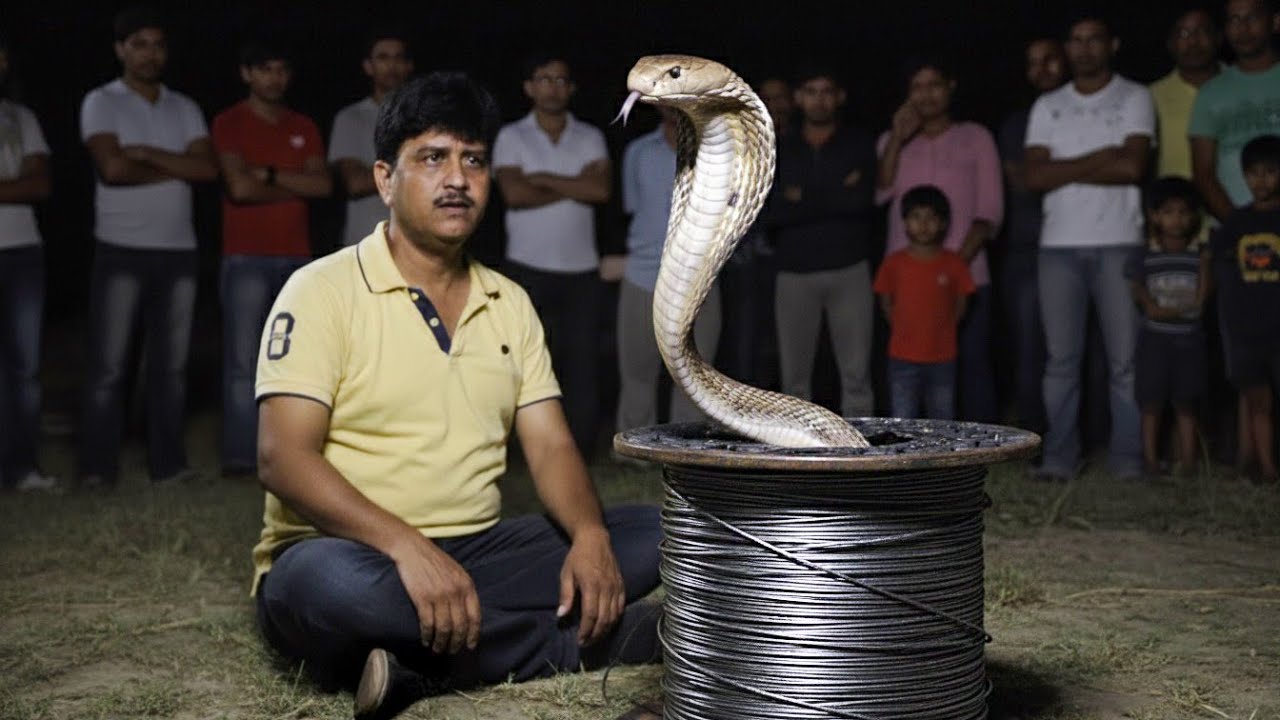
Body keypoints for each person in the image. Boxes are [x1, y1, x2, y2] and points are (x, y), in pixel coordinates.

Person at [250, 72, 661, 720]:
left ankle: (420, 663)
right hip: (350, 553)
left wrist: (586, 536)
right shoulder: (320, 289)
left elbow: (550, 442)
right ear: (386, 178)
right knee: (322, 587)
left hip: (475, 552)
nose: (457, 178)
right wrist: (405, 548)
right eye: (432, 158)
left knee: (649, 534)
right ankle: (591, 641)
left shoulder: (509, 301)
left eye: (473, 160)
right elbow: (283, 459)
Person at [77, 5, 218, 488]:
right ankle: (97, 470)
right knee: (109, 366)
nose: (149, 54)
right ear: (120, 49)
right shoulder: (101, 101)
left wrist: (145, 153)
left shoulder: (184, 107)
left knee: (171, 368)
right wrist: (176, 162)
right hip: (121, 247)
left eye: (157, 45)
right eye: (138, 44)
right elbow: (112, 171)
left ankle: (169, 467)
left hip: (179, 250)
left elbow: (207, 170)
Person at [1024, 15, 1154, 482]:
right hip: (1058, 246)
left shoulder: (1135, 96)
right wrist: (1104, 155)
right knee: (1061, 361)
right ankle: (1060, 458)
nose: (1083, 49)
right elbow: (1034, 176)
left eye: (1093, 39)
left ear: (1112, 44)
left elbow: (1133, 167)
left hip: (1120, 241)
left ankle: (1128, 460)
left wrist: (1067, 167)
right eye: (1075, 40)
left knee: (1126, 362)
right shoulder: (1048, 104)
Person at [211, 40, 331, 476]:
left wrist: (270, 175)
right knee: (244, 364)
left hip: (298, 260)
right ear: (246, 74)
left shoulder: (304, 125)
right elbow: (238, 190)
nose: (274, 78)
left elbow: (323, 187)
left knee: (300, 364)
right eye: (265, 69)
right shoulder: (229, 122)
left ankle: (297, 455)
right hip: (244, 257)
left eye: (282, 69)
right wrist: (295, 181)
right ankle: (242, 459)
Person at [492, 54, 611, 459]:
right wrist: (576, 182)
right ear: (529, 87)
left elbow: (601, 192)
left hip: (581, 269)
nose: (553, 87)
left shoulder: (590, 135)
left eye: (561, 80)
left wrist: (541, 177)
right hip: (526, 266)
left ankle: (581, 452)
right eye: (544, 79)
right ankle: (519, 452)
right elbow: (514, 195)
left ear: (572, 88)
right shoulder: (511, 135)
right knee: (523, 364)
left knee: (582, 365)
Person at [876, 55, 1002, 423]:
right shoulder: (892, 141)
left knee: (973, 362)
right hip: (908, 279)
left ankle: (981, 446)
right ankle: (915, 450)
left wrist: (952, 266)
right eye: (917, 87)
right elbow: (881, 193)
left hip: (966, 274)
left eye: (934, 85)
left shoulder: (975, 137)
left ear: (950, 87)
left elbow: (989, 211)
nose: (926, 95)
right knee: (911, 366)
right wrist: (897, 140)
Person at [1190, 0, 1280, 476]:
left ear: (1274, 21)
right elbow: (1203, 171)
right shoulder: (1213, 92)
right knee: (1245, 357)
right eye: (1233, 19)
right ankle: (1251, 462)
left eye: (1252, 16)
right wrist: (1248, 225)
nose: (1242, 27)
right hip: (1237, 236)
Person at [767, 66, 878, 417]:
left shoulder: (858, 143)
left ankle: (859, 457)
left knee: (856, 373)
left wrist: (803, 198)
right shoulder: (780, 147)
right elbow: (772, 211)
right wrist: (835, 192)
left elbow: (861, 202)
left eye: (827, 90)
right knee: (795, 378)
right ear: (798, 98)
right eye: (811, 91)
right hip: (794, 272)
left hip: (850, 268)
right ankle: (800, 456)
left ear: (840, 97)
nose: (819, 99)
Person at [615, 106, 720, 432]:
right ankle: (634, 453)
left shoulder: (715, 152)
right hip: (643, 277)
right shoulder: (638, 152)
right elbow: (634, 208)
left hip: (699, 279)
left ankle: (686, 453)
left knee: (696, 377)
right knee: (637, 373)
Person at [997, 37, 1067, 433]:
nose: (1042, 70)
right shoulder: (1018, 123)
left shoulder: (1084, 115)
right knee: (1029, 349)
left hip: (1079, 243)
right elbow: (1026, 182)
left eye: (1050, 60)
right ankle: (1034, 434)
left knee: (1076, 351)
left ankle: (1085, 435)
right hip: (1027, 249)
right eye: (1033, 63)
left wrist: (1055, 171)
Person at [0, 34, 57, 492]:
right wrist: (13, 182)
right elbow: (25, 180)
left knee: (24, 366)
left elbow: (40, 184)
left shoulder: (21, 118)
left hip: (22, 250)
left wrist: (22, 182)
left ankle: (22, 468)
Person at [1124, 178, 1211, 477]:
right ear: (1155, 216)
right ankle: (1150, 462)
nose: (1177, 219)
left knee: (1186, 404)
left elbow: (1201, 299)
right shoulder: (1147, 256)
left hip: (1189, 342)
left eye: (1184, 212)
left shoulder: (1197, 257)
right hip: (1155, 342)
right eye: (1169, 212)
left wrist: (1206, 266)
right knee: (1151, 403)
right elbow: (1140, 292)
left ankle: (1187, 464)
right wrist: (1155, 308)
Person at [1211, 134, 1280, 484]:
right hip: (1248, 332)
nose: (1261, 181)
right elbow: (1217, 266)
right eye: (1253, 173)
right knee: (1258, 404)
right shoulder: (1236, 223)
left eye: (1270, 171)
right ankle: (1265, 469)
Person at [873, 185, 975, 420]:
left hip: (942, 358)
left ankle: (941, 458)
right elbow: (885, 301)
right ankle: (906, 458)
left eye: (931, 218)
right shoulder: (894, 263)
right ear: (905, 222)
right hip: (902, 357)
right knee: (903, 418)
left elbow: (961, 303)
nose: (924, 224)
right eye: (916, 217)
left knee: (942, 418)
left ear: (943, 224)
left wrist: (945, 329)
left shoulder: (954, 263)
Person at [330, 30, 413, 248]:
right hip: (364, 245)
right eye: (383, 58)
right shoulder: (350, 118)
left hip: (415, 246)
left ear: (408, 66)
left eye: (398, 58)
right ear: (368, 67)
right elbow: (355, 183)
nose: (392, 66)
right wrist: (416, 165)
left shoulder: (426, 118)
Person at [1151, 9, 1222, 180]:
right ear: (1170, 43)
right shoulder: (1152, 96)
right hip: (1177, 202)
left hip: (1239, 202)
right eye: (1183, 33)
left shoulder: (1241, 85)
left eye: (1202, 31)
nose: (1193, 41)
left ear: (1219, 38)